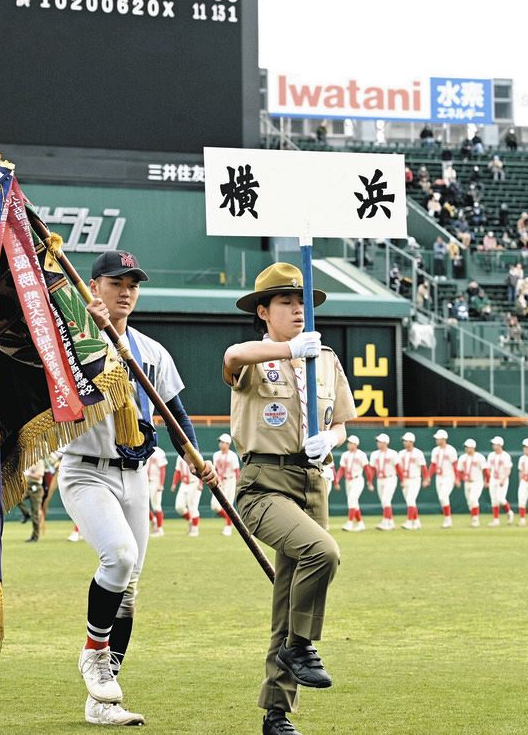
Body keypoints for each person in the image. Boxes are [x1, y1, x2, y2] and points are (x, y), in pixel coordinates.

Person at [58, 251, 212, 727]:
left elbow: (173, 410)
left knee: (128, 589)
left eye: (133, 284)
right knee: (119, 558)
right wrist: (89, 331)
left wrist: (194, 455)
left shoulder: (151, 350)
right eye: (115, 282)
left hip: (134, 472)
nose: (125, 291)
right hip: (86, 469)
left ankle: (102, 701)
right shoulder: (73, 345)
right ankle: (93, 653)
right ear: (93, 286)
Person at [222, 263, 354, 735]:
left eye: (303, 302)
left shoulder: (326, 360)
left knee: (286, 602)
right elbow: (233, 356)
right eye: (285, 302)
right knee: (323, 553)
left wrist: (333, 440)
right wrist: (286, 349)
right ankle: (300, 645)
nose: (298, 309)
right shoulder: (260, 356)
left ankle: (275, 714)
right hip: (263, 481)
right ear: (263, 311)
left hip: (312, 480)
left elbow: (340, 420)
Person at [334, 435, 367, 531]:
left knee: (352, 500)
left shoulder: (361, 454)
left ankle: (350, 522)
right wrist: (337, 480)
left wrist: (369, 481)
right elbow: (341, 469)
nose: (349, 445)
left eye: (351, 443)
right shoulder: (345, 454)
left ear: (356, 444)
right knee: (354, 502)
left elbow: (366, 468)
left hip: (357, 479)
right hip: (348, 480)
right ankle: (360, 523)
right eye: (348, 443)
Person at [211, 432, 241, 537]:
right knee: (215, 506)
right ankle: (231, 520)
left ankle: (228, 526)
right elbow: (215, 469)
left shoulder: (233, 456)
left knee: (228, 505)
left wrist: (238, 483)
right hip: (219, 481)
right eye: (220, 442)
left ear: (228, 443)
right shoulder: (216, 455)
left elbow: (237, 471)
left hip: (230, 480)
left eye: (223, 442)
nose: (221, 444)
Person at [367, 433, 399, 530]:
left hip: (390, 478)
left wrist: (402, 480)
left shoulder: (393, 453)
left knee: (386, 500)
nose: (378, 443)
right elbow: (372, 469)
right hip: (380, 479)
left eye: (380, 441)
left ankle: (385, 522)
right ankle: (391, 521)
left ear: (385, 442)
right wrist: (370, 481)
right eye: (378, 441)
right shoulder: (374, 454)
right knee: (384, 501)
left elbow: (398, 467)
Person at [396, 432, 428, 530]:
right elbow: (399, 468)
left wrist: (426, 478)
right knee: (410, 501)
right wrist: (401, 480)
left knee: (410, 499)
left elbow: (423, 467)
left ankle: (409, 521)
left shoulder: (418, 453)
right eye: (404, 441)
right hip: (405, 479)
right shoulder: (401, 453)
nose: (404, 443)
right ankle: (416, 521)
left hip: (415, 479)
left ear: (411, 441)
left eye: (406, 441)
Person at [428, 430, 458, 528]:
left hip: (449, 476)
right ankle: (447, 518)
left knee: (443, 496)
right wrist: (428, 476)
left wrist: (457, 478)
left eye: (438, 438)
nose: (436, 440)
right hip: (439, 477)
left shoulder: (451, 450)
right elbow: (433, 465)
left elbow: (455, 465)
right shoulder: (435, 450)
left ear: (444, 439)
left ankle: (448, 519)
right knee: (442, 499)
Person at [456, 438, 486, 527]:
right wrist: (458, 479)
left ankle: (475, 520)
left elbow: (485, 470)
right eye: (465, 447)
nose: (466, 449)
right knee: (469, 503)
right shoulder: (462, 457)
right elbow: (459, 470)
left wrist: (486, 480)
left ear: (473, 447)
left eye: (468, 447)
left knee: (473, 499)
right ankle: (473, 517)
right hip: (467, 482)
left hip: (477, 481)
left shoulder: (479, 457)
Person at [171, 452, 203, 536]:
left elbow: (201, 469)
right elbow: (177, 471)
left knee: (193, 507)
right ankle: (191, 521)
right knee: (179, 507)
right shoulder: (180, 456)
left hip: (194, 483)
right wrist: (174, 483)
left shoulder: (196, 455)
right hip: (184, 484)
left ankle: (195, 529)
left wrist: (200, 483)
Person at [485, 436, 514, 526]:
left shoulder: (505, 455)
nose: (493, 445)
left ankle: (509, 512)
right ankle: (496, 519)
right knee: (494, 500)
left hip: (502, 479)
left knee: (501, 499)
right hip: (493, 478)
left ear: (500, 445)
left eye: (495, 444)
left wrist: (503, 479)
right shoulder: (491, 455)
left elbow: (508, 469)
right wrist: (487, 480)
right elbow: (488, 469)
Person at [146, 445, 168, 537]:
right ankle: (153, 520)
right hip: (145, 480)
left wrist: (161, 484)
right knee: (142, 505)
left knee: (156, 505)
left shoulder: (159, 452)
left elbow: (162, 469)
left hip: (156, 481)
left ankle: (159, 529)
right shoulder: (144, 449)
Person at [22, 461, 45, 543]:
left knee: (35, 513)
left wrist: (28, 474)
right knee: (17, 499)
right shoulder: (26, 461)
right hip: (26, 486)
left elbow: (39, 476)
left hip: (36, 488)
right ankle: (26, 513)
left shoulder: (39, 461)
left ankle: (35, 536)